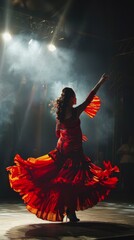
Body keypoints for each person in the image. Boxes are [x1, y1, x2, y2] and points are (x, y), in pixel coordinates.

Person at [7, 73, 119, 222]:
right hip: (73, 153)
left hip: (63, 150)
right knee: (73, 183)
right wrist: (101, 81)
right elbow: (90, 98)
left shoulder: (59, 115)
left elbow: (57, 133)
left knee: (65, 182)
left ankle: (69, 211)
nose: (75, 99)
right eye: (74, 96)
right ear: (71, 98)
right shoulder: (75, 111)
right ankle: (70, 212)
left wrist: (72, 135)